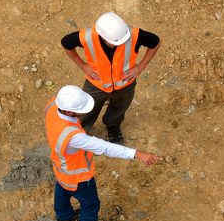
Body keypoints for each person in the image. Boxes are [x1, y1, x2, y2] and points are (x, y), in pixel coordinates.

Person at [45, 85, 161, 221]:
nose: (84, 113)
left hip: (60, 166)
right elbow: (103, 147)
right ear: (69, 112)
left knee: (61, 188)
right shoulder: (73, 137)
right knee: (91, 205)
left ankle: (63, 218)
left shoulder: (53, 105)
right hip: (78, 177)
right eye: (80, 110)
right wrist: (136, 153)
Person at [61, 12, 161, 144]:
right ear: (102, 36)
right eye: (117, 42)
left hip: (125, 83)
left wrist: (141, 67)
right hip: (96, 83)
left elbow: (155, 42)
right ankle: (80, 132)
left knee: (120, 107)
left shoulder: (134, 35)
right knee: (85, 109)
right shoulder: (87, 37)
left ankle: (113, 125)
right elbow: (65, 44)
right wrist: (83, 66)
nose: (122, 43)